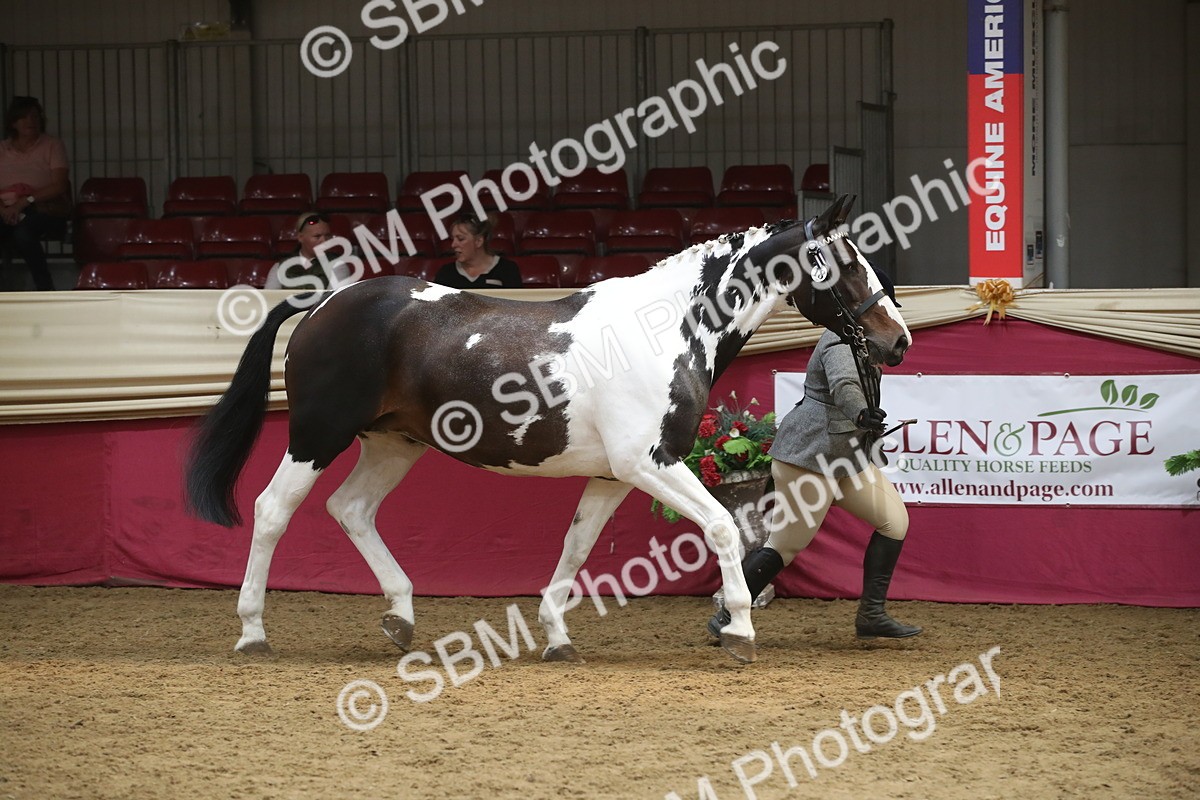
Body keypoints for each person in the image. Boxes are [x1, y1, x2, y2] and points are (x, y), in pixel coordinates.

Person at [708, 271, 922, 641]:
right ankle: (729, 614)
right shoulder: (841, 336)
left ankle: (871, 615)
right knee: (785, 545)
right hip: (810, 456)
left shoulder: (864, 335)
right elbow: (844, 383)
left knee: (894, 522)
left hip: (847, 458)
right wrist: (860, 413)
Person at [0, 96, 72, 291]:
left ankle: (44, 286)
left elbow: (60, 185)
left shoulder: (52, 145)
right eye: (23, 117)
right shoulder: (2, 148)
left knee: (23, 232)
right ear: (13, 122)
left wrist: (25, 201)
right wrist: (3, 208)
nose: (30, 121)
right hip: (6, 207)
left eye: (34, 116)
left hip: (42, 206)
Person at [264, 212, 355, 290]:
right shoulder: (280, 267)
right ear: (300, 237)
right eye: (317, 236)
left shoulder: (337, 266)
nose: (324, 241)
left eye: (327, 236)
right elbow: (269, 299)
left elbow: (332, 301)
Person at [433, 214, 522, 289]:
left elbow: (516, 303)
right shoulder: (446, 273)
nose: (453, 245)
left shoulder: (507, 269)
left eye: (460, 239)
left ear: (478, 241)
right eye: (453, 239)